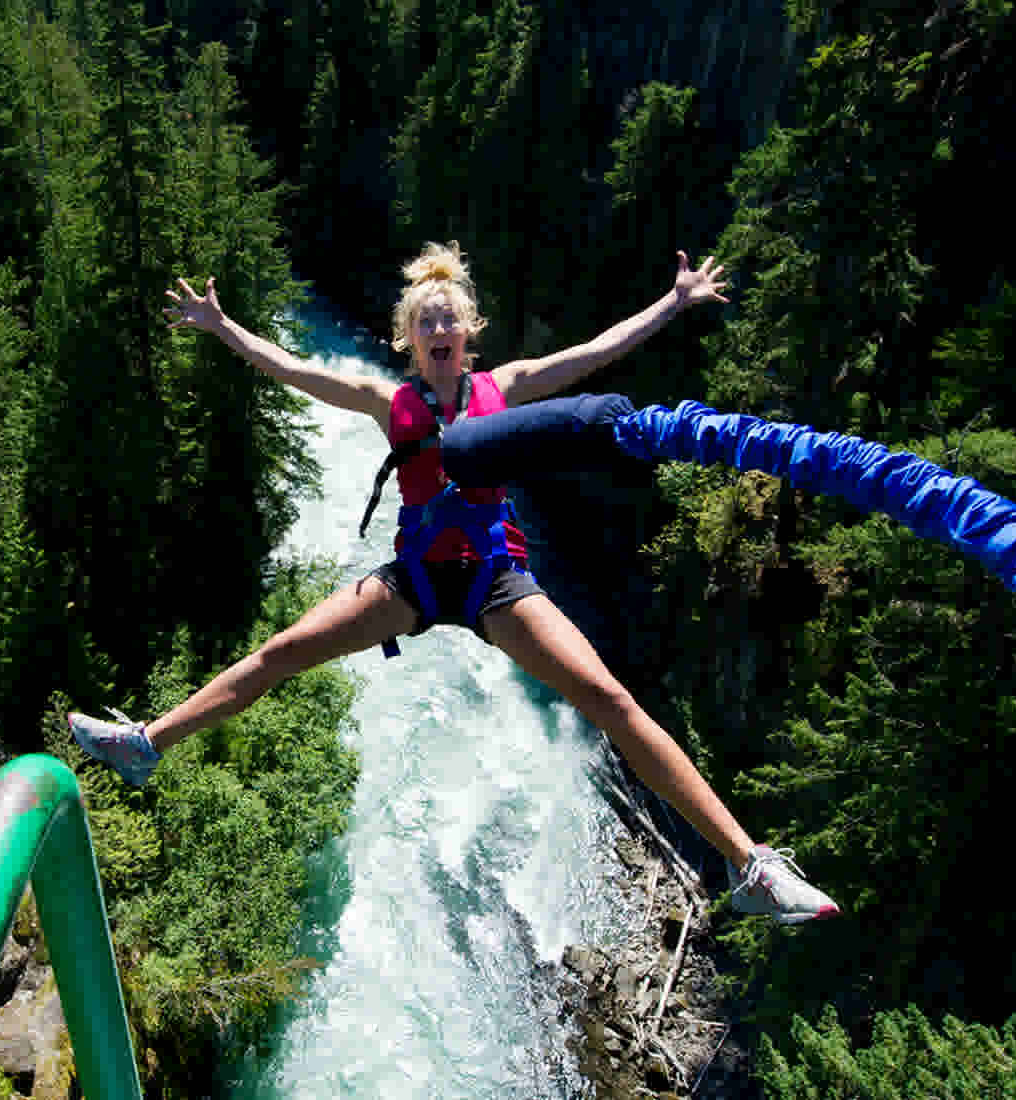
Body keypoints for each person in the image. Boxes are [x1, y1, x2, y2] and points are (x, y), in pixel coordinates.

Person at [67, 243, 838, 924]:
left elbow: (596, 354)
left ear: (469, 334)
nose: (440, 332)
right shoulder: (387, 401)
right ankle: (146, 744)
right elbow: (298, 370)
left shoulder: (509, 385)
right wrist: (223, 327)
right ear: (409, 339)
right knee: (284, 651)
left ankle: (751, 864)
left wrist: (672, 303)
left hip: (495, 579)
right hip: (414, 579)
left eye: (450, 320)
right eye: (426, 322)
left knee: (608, 699)